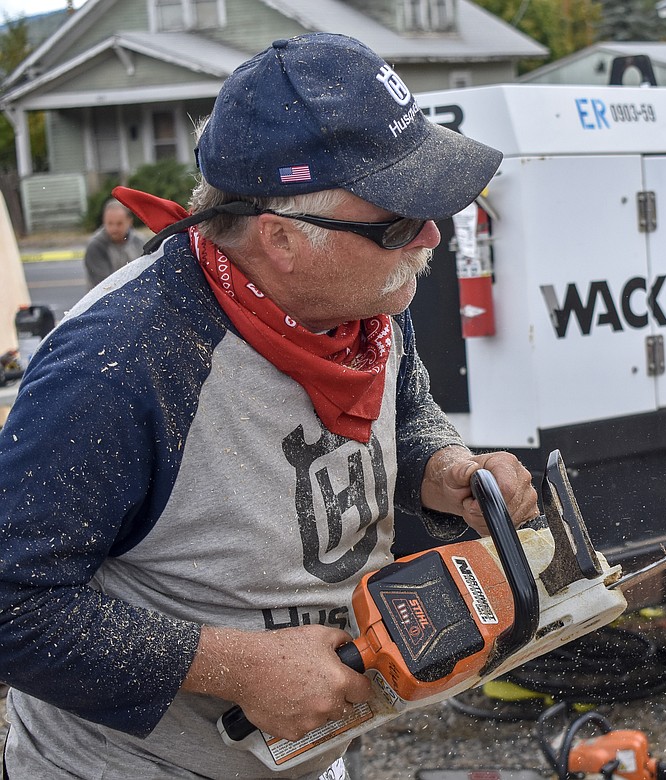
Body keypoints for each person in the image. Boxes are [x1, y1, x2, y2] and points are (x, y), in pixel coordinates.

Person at [0, 33, 539, 780]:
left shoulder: (369, 297)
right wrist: (241, 668)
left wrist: (440, 465)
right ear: (282, 236)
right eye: (395, 221)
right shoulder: (119, 365)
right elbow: (13, 603)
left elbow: (402, 410)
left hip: (305, 755)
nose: (429, 235)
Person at [83, 198, 146, 288]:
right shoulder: (96, 246)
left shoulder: (139, 242)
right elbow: (105, 285)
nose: (114, 229)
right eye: (110, 223)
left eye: (119, 224)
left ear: (130, 222)